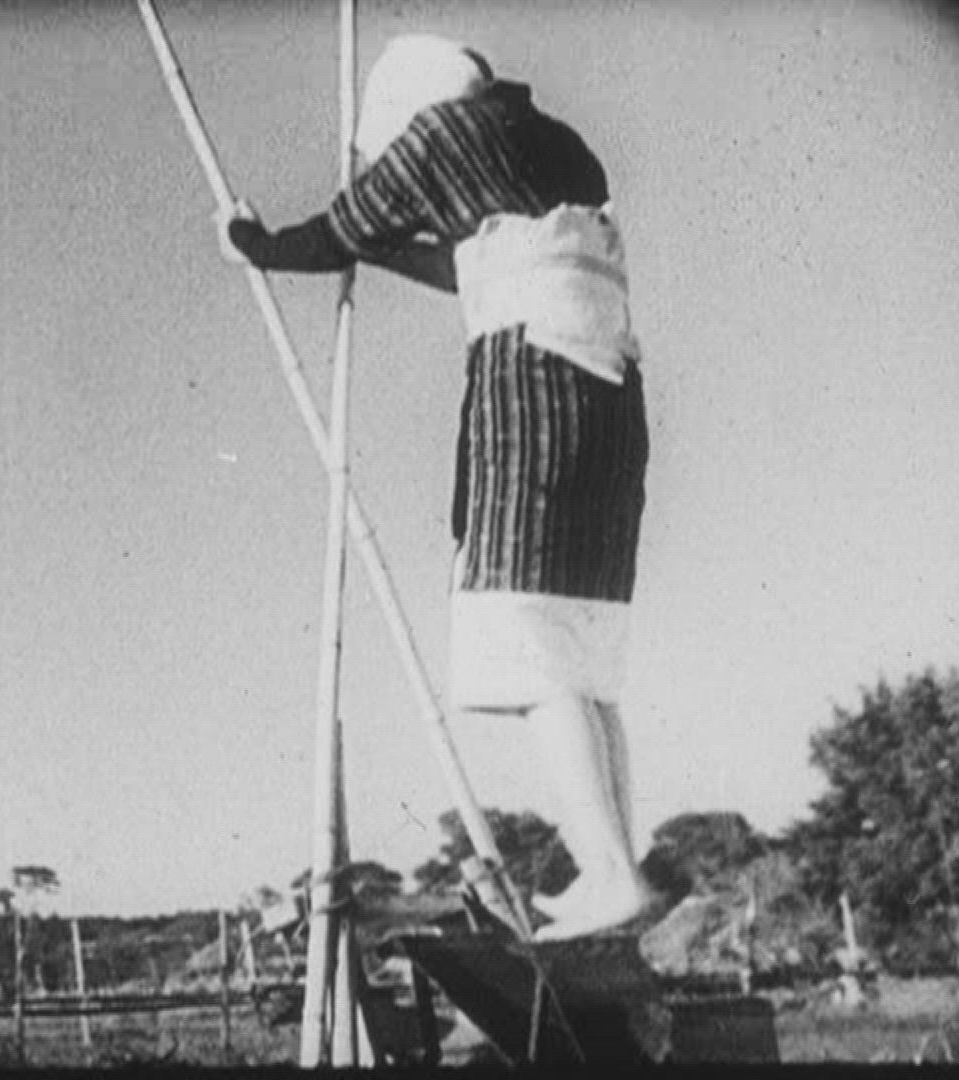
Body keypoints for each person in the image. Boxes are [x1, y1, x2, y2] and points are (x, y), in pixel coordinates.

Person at [221, 35, 651, 941]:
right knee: (582, 655)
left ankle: (609, 872)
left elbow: (337, 230)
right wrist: (381, 253)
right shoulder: (553, 145)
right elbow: (464, 257)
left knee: (530, 645)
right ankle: (619, 862)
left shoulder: (440, 135)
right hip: (611, 398)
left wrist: (252, 243)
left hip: (535, 392)